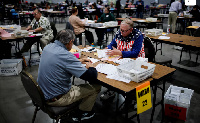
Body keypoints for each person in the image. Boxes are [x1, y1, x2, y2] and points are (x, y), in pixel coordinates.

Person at [37, 29, 101, 121]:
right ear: (71, 42)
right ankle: (83, 113)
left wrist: (78, 61)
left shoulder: (48, 47)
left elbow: (59, 61)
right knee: (96, 87)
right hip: (57, 98)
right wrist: (91, 67)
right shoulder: (66, 55)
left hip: (42, 93)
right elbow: (91, 76)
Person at [101, 18, 145, 100]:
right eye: (121, 30)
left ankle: (131, 98)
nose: (121, 32)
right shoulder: (119, 33)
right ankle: (113, 90)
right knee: (111, 74)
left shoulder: (138, 35)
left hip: (135, 61)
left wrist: (120, 53)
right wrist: (109, 48)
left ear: (131, 29)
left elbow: (135, 53)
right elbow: (112, 44)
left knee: (129, 80)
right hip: (121, 59)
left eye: (124, 31)